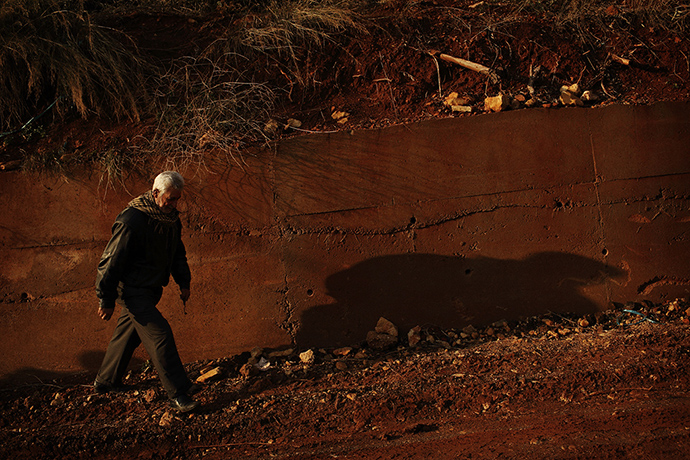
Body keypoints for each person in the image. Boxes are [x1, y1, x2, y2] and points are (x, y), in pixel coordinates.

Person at [94, 171, 199, 413]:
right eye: (170, 199)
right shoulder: (132, 220)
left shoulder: (170, 219)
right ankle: (179, 393)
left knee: (127, 334)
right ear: (155, 193)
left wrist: (184, 282)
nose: (174, 205)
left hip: (150, 289)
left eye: (177, 200)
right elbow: (110, 260)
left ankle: (106, 381)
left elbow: (177, 253)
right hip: (131, 290)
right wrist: (106, 297)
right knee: (160, 335)